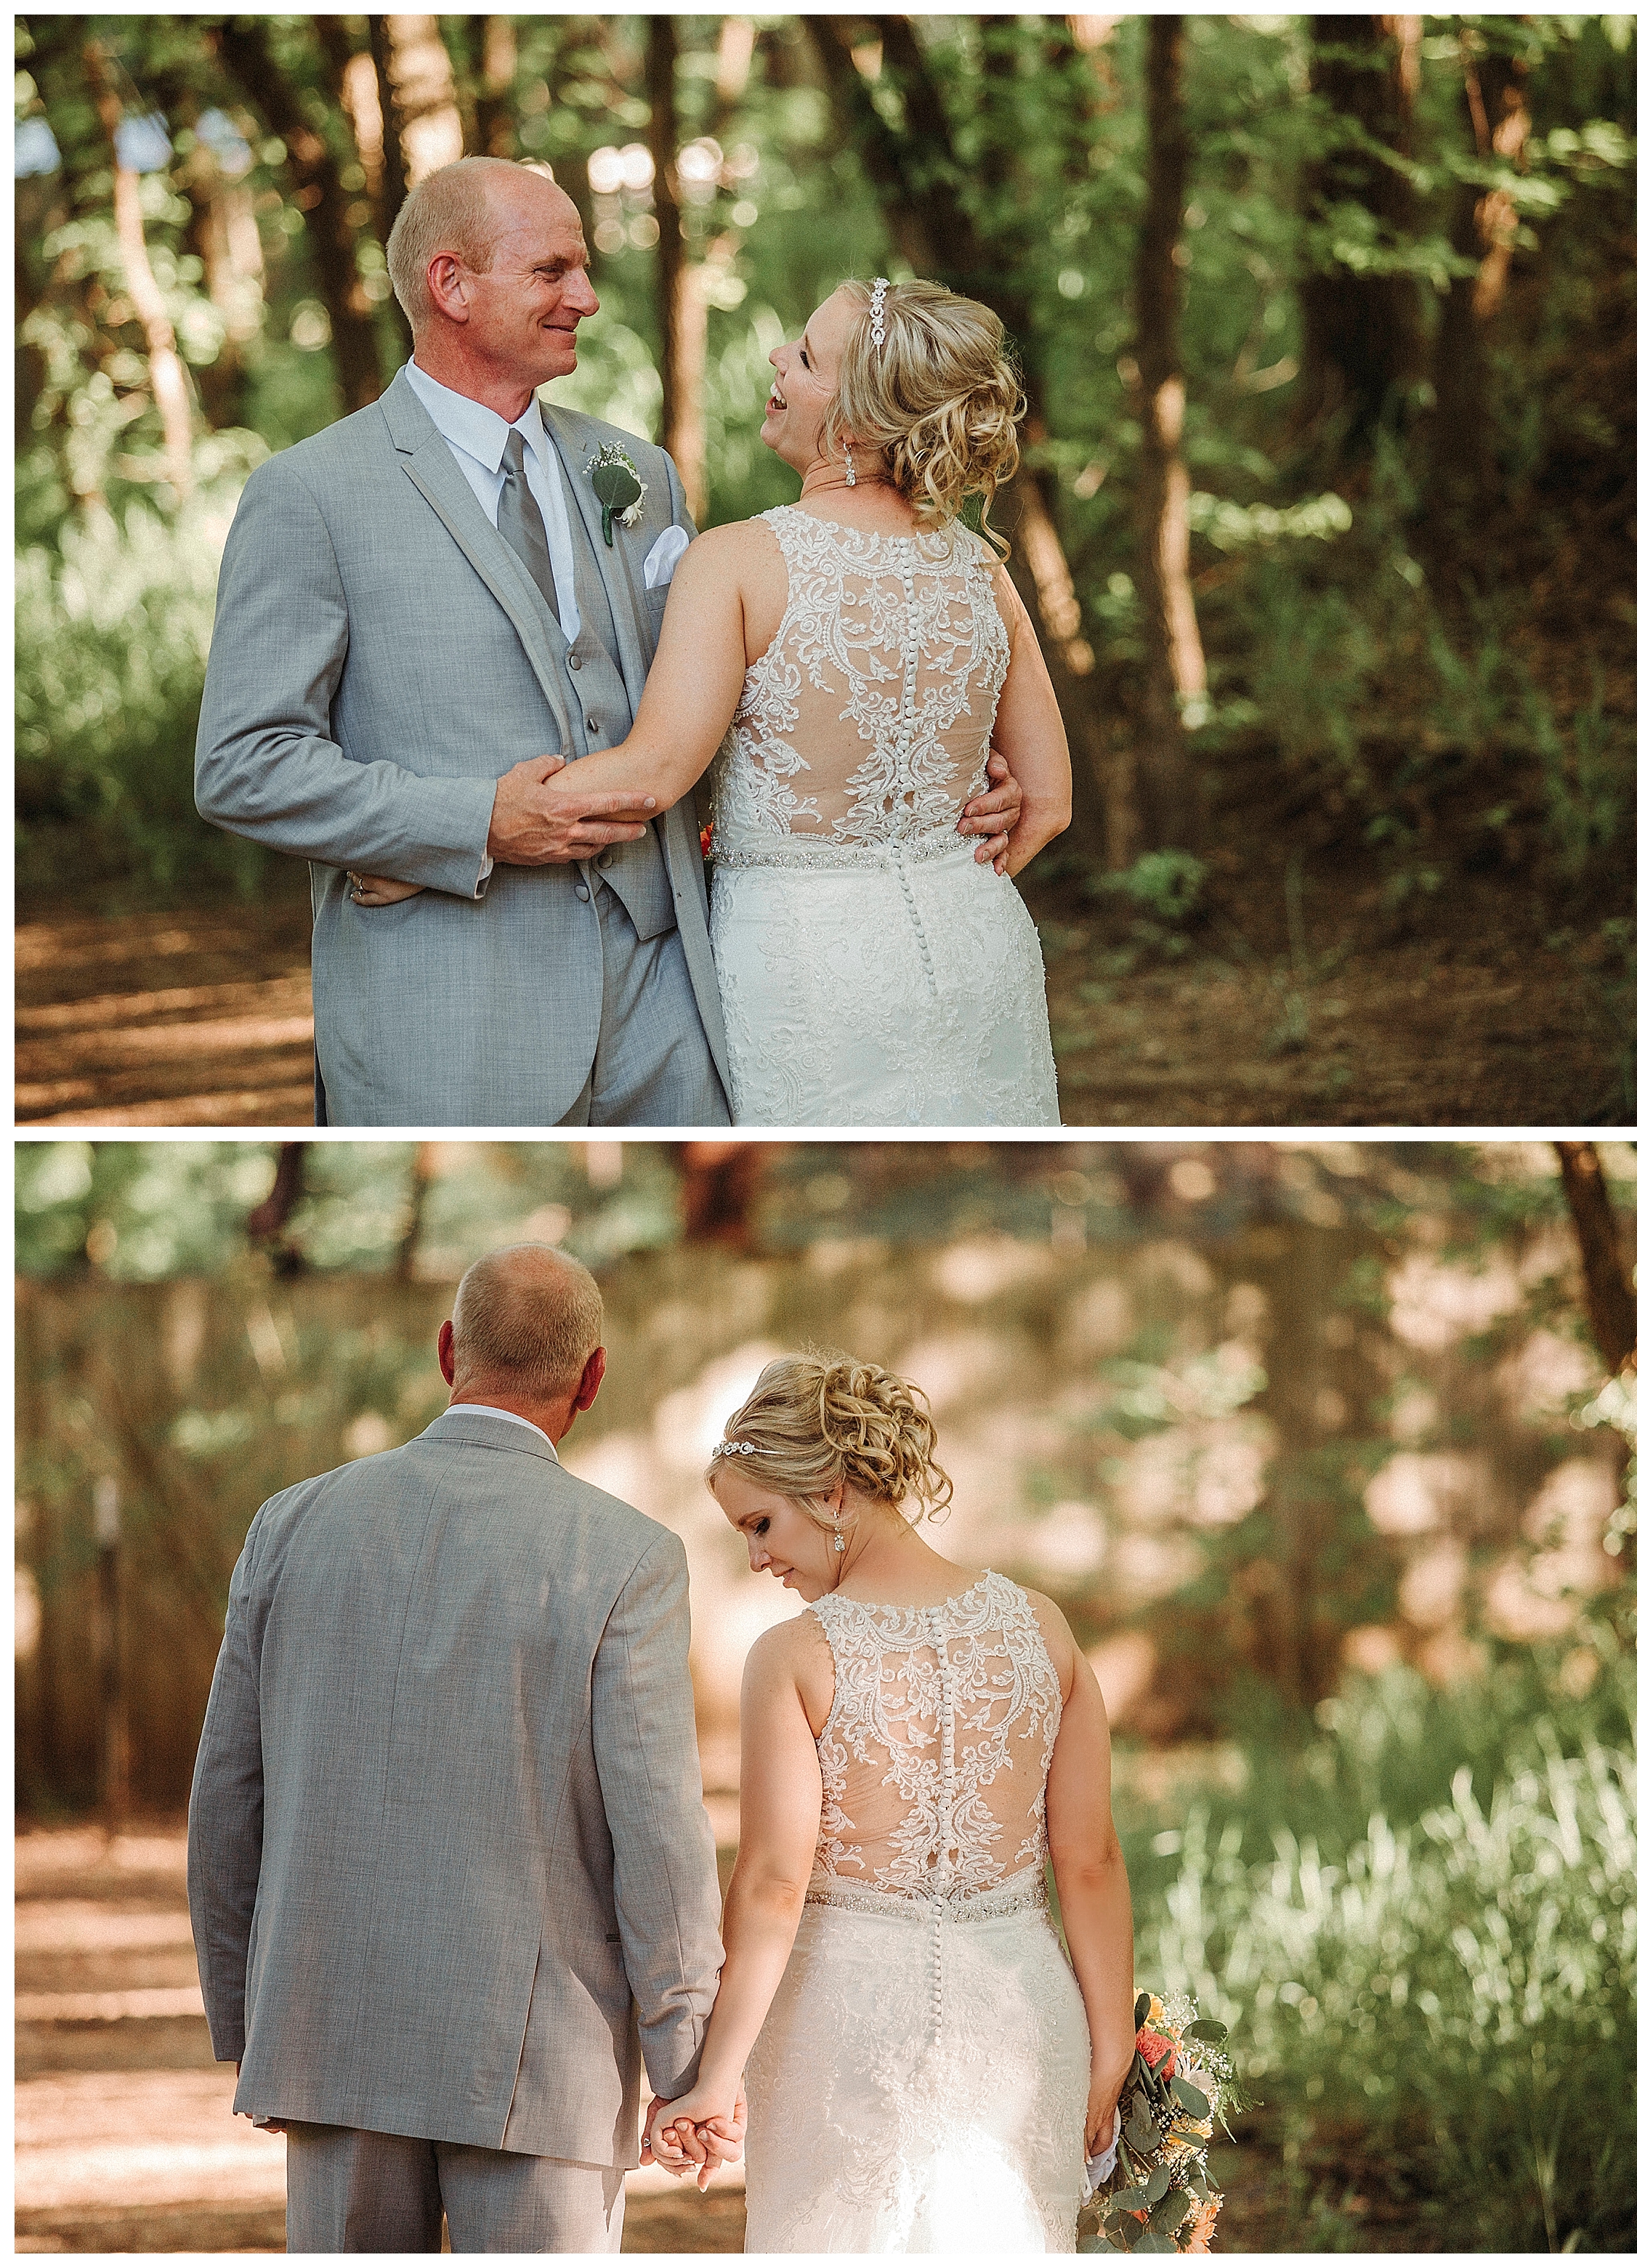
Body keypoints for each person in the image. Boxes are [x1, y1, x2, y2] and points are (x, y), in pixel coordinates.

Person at [193, 159, 1020, 1125]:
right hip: (456, 1009)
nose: (584, 298)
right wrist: (464, 821)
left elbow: (738, 694)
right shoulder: (313, 494)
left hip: (675, 1006)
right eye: (552, 271)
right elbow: (243, 765)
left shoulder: (637, 472)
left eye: (582, 269)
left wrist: (917, 770)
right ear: (450, 284)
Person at [352, 271, 1070, 1126]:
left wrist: (447, 832)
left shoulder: (738, 561)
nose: (776, 355)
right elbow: (1050, 802)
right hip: (977, 942)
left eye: (804, 356)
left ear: (858, 419)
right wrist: (931, 868)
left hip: (807, 965)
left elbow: (651, 772)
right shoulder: (981, 571)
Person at [185, 1244, 737, 2252]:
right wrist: (688, 2060)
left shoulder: (291, 1524)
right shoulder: (627, 1558)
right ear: (595, 1375)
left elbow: (228, 1794)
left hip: (327, 2030)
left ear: (448, 1350)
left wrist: (252, 2021)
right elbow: (658, 1832)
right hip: (542, 2063)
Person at [644, 1353, 1136, 2251]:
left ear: (832, 1492)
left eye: (761, 1523)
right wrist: (1111, 2046)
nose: (756, 1558)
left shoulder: (794, 1656)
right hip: (1024, 2013)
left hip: (846, 2022)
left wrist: (715, 2077)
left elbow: (772, 1884)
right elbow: (1092, 1859)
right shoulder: (1043, 1628)